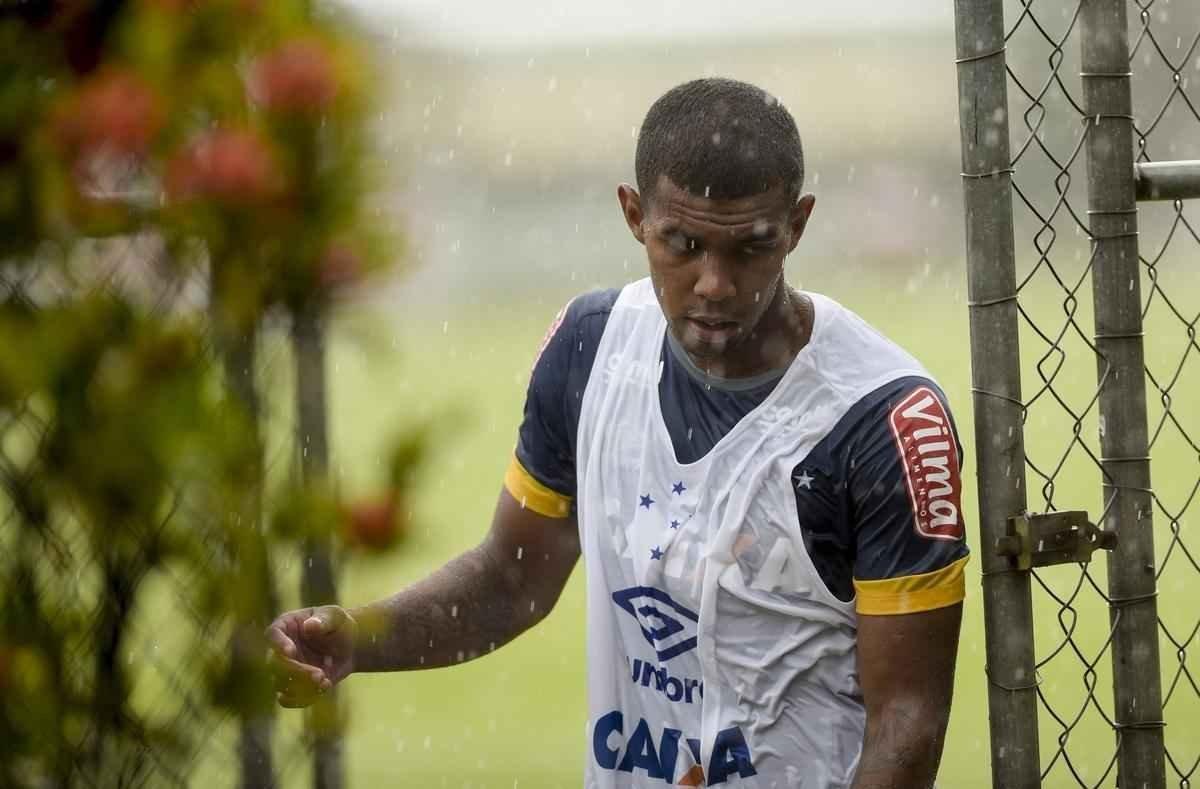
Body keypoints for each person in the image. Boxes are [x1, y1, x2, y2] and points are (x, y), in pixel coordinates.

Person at [266, 77, 969, 788]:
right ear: (634, 215)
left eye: (750, 248)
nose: (715, 283)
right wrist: (356, 638)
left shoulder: (882, 420)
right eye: (684, 244)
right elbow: (511, 579)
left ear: (797, 225)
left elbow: (907, 719)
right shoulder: (590, 347)